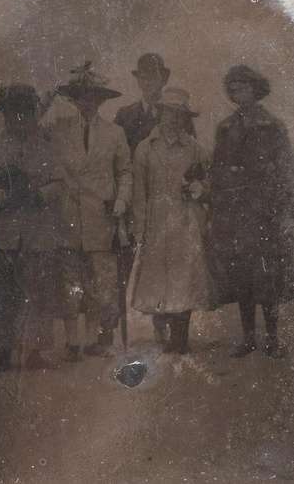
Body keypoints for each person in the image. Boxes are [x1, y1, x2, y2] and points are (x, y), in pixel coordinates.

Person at [0, 84, 74, 370]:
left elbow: (60, 183)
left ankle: (36, 352)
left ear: (32, 115)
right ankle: (3, 352)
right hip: (5, 233)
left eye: (25, 114)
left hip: (38, 232)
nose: (19, 120)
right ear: (5, 116)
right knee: (4, 294)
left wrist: (38, 195)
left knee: (38, 291)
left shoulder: (46, 147)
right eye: (12, 114)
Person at [210, 65, 294, 358]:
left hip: (266, 211)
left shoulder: (273, 126)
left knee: (267, 274)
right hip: (237, 213)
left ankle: (272, 337)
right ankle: (248, 338)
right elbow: (217, 170)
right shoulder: (225, 127)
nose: (238, 93)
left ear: (256, 90)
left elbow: (285, 170)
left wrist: (283, 209)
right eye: (233, 89)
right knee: (242, 274)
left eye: (243, 87)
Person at [49, 61, 132, 357]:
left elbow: (125, 172)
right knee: (71, 281)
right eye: (81, 97)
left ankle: (99, 338)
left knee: (102, 281)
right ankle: (73, 343)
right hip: (69, 217)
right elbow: (40, 125)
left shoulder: (115, 133)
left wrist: (121, 201)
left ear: (101, 101)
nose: (87, 103)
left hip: (102, 216)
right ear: (74, 100)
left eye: (93, 98)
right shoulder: (59, 130)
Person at [115, 53, 198, 345]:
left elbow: (197, 169)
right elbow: (123, 168)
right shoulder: (127, 119)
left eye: (156, 77)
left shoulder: (189, 137)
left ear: (164, 79)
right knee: (149, 272)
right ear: (138, 80)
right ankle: (154, 325)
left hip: (180, 215)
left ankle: (178, 333)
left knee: (179, 272)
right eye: (144, 77)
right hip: (144, 207)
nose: (150, 83)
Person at [132, 87, 212, 354]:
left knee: (183, 277)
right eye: (169, 113)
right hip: (156, 220)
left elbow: (210, 180)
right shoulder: (145, 148)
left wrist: (200, 188)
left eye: (180, 115)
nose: (174, 119)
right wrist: (139, 229)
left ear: (185, 118)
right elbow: (139, 192)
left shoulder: (195, 148)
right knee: (158, 278)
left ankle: (180, 338)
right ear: (160, 114)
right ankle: (161, 327)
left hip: (185, 219)